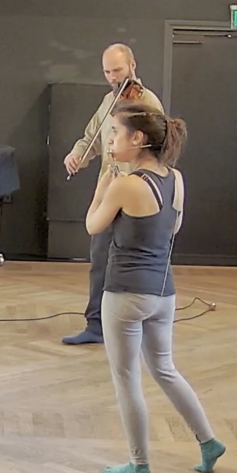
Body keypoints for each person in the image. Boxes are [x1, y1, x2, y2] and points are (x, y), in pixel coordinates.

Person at [84, 101, 225, 473]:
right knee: (165, 368)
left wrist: (102, 186)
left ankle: (139, 464)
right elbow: (172, 228)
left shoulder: (126, 184)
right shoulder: (175, 179)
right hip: (164, 293)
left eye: (116, 132)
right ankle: (208, 441)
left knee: (127, 379)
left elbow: (93, 226)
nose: (111, 140)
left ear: (138, 138)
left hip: (126, 294)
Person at [62, 43, 164, 345]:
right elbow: (92, 136)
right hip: (111, 190)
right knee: (100, 258)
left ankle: (135, 324)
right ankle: (96, 325)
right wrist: (77, 154)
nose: (112, 77)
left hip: (136, 194)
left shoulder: (147, 102)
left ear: (132, 65)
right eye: (107, 71)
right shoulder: (109, 100)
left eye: (117, 70)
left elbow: (156, 147)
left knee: (131, 261)